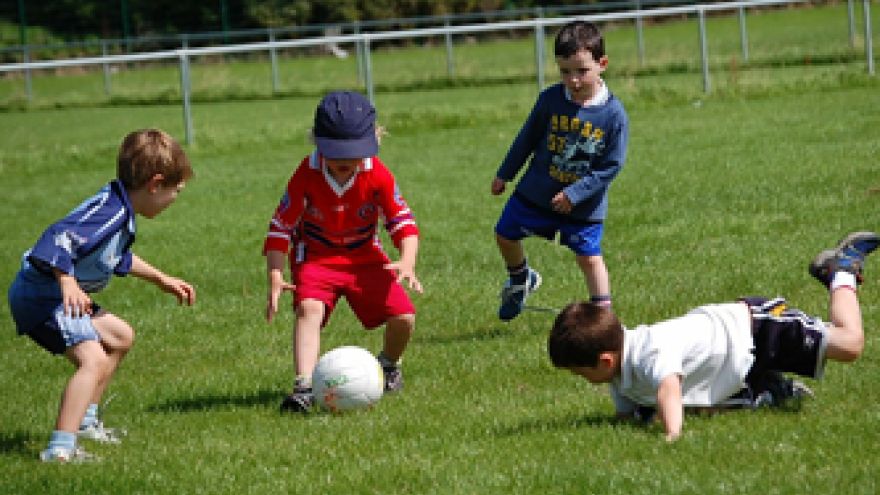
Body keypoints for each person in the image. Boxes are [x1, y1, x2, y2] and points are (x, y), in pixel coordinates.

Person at [547, 231, 878, 442]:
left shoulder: (649, 351)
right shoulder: (618, 372)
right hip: (731, 361)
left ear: (605, 360)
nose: (581, 378)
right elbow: (627, 415)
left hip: (755, 328)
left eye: (580, 372)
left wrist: (672, 434)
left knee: (850, 345)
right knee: (700, 407)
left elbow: (668, 388)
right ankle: (768, 388)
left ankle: (840, 271)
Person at [7, 129, 196, 462]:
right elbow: (57, 238)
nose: (175, 199)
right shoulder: (110, 214)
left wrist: (161, 279)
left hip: (56, 291)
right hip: (42, 294)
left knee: (120, 337)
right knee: (92, 360)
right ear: (155, 184)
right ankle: (61, 448)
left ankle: (86, 422)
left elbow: (113, 257)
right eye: (175, 191)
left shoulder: (120, 208)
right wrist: (67, 282)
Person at [264, 90, 422, 413]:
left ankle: (389, 366)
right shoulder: (305, 174)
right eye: (336, 156)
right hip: (317, 259)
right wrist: (276, 276)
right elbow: (280, 229)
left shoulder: (377, 173)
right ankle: (304, 388)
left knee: (404, 318)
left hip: (364, 257)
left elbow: (403, 222)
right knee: (309, 309)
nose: (343, 165)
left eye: (351, 156)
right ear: (318, 143)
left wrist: (407, 261)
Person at [491, 20, 628, 321]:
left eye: (582, 71)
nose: (574, 80)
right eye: (565, 71)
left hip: (583, 206)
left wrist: (576, 193)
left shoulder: (613, 114)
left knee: (589, 258)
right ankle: (520, 280)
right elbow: (526, 138)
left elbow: (611, 165)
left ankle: (604, 319)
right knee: (504, 235)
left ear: (602, 64)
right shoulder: (550, 100)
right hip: (537, 192)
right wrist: (505, 174)